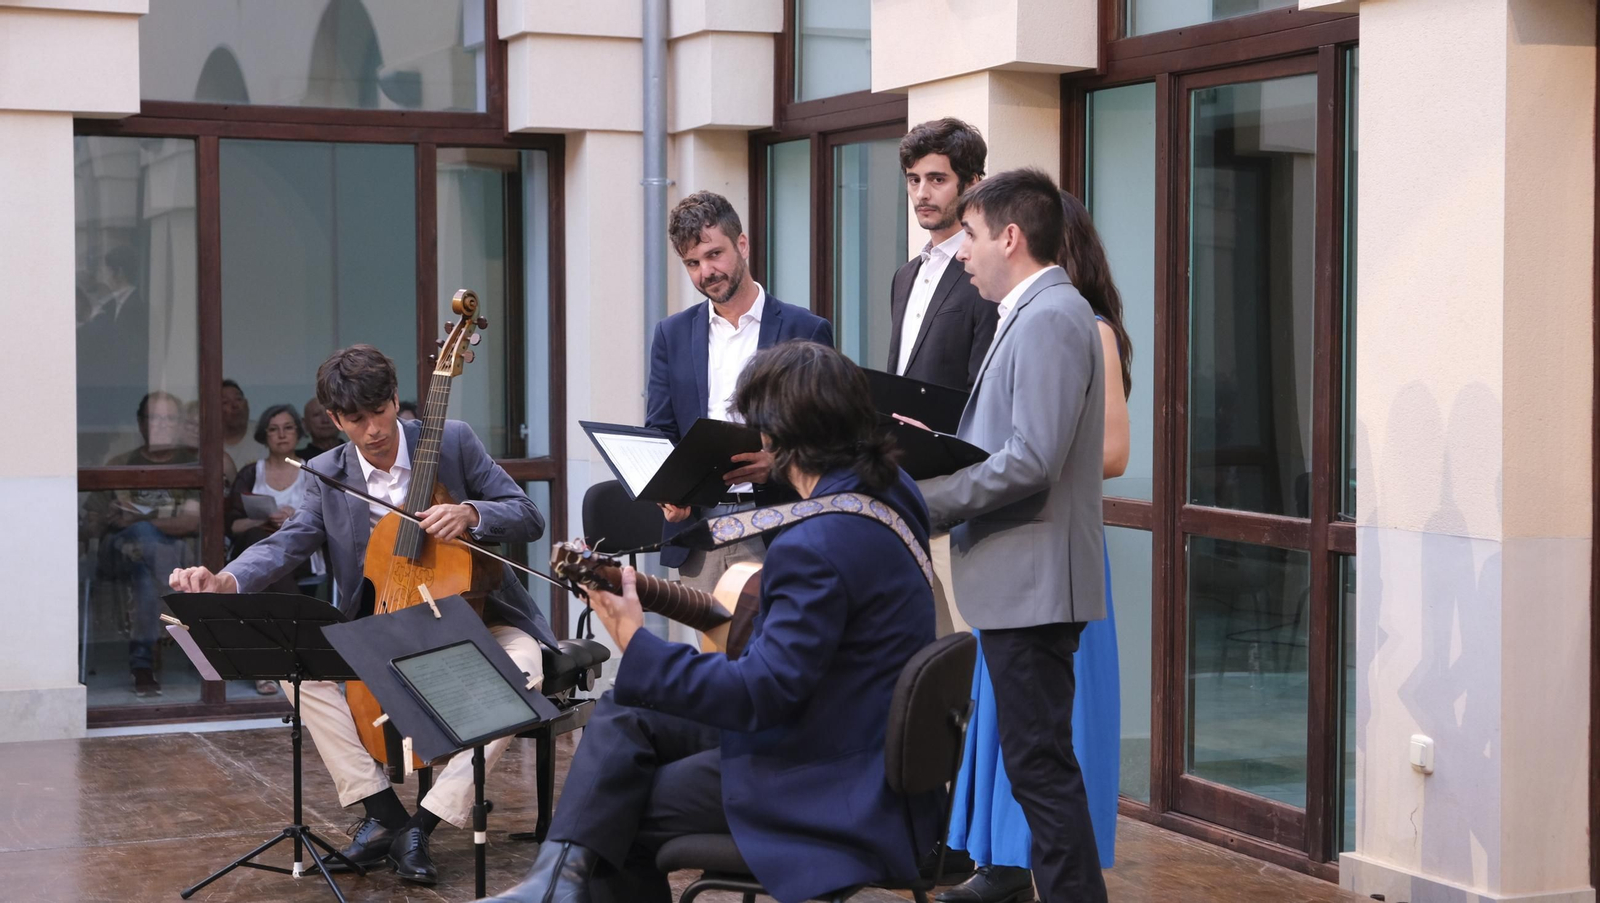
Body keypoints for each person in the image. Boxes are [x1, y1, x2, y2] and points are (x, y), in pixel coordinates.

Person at [480, 341, 941, 903]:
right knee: (627, 709)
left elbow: (757, 695)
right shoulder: (891, 492)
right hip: (850, 727)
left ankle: (559, 883)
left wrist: (632, 638)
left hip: (828, 775)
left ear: (775, 438)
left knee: (618, 811)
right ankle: (553, 880)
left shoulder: (815, 545)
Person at [169, 345, 556, 887]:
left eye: (379, 411)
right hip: (382, 621)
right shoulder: (326, 473)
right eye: (355, 419)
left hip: (476, 615)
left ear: (395, 399)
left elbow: (528, 515)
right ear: (334, 420)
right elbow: (289, 542)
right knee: (297, 672)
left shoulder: (452, 441)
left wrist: (472, 513)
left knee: (523, 669)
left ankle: (424, 823)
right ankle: (383, 812)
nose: (373, 430)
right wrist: (226, 580)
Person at [915, 168, 1109, 903]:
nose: (960, 250)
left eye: (969, 234)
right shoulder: (1033, 311)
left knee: (1041, 772)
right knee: (1039, 770)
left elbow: (1031, 459)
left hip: (1034, 587)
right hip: (1021, 583)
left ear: (1010, 237)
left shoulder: (1052, 314)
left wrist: (927, 499)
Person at [645, 190, 833, 593]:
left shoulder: (805, 330)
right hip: (698, 535)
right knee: (706, 636)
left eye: (715, 254)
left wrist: (778, 463)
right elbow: (660, 429)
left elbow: (830, 436)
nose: (706, 272)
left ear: (742, 245)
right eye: (692, 263)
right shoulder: (671, 334)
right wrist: (669, 493)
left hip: (780, 528)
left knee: (781, 635)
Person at [81, 391, 199, 698]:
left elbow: (191, 522)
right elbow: (89, 526)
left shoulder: (192, 465)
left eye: (169, 418)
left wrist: (137, 519)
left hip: (159, 561)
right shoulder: (120, 464)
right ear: (141, 423)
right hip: (119, 555)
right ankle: (185, 618)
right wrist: (107, 516)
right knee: (147, 538)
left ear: (179, 424)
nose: (162, 425)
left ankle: (142, 667)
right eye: (155, 418)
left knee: (146, 576)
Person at [890, 118, 999, 392]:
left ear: (971, 184)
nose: (922, 194)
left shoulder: (990, 273)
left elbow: (986, 390)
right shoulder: (903, 277)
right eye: (913, 180)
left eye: (937, 179)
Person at [223, 403, 325, 695]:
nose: (281, 435)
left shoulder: (313, 471)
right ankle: (296, 644)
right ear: (264, 435)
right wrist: (264, 520)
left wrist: (298, 519)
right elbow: (231, 526)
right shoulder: (250, 473)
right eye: (273, 429)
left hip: (301, 556)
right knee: (258, 543)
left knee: (263, 573)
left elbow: (329, 522)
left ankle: (265, 666)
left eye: (288, 428)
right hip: (254, 553)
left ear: (298, 432)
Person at [221, 379, 267, 471]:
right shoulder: (206, 441)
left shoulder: (264, 433)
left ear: (247, 404)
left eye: (238, 399)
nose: (235, 405)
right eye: (225, 402)